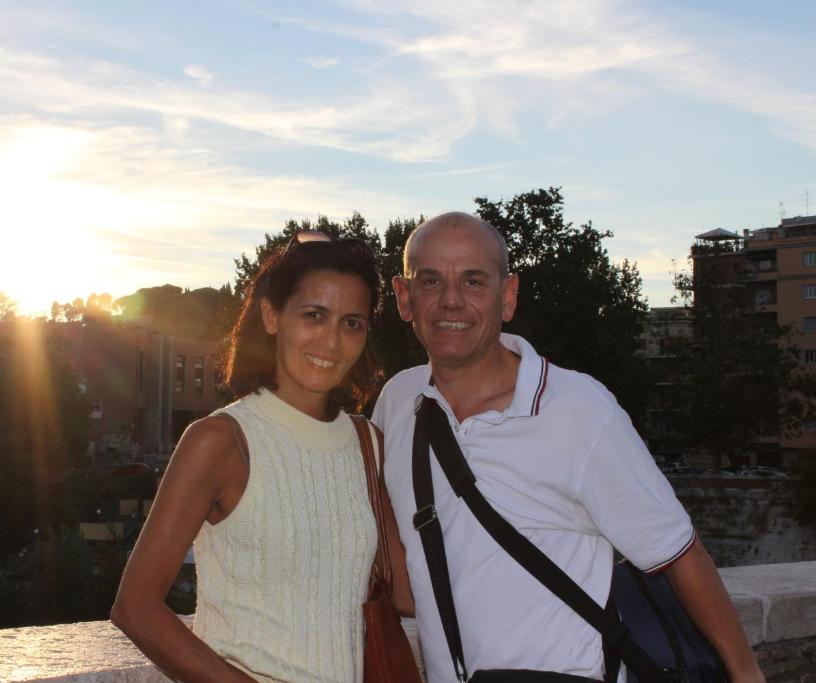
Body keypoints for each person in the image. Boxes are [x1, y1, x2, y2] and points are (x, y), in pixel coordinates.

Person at [372, 212, 764, 682]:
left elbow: (678, 553)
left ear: (508, 295)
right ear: (403, 297)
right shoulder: (398, 402)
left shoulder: (578, 409)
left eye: (473, 281)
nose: (451, 300)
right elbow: (407, 560)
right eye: (431, 280)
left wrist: (746, 675)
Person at [111, 232, 412, 683]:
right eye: (314, 315)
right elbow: (135, 607)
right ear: (272, 315)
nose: (332, 341)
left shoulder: (370, 444)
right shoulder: (220, 440)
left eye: (352, 323)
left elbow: (408, 593)